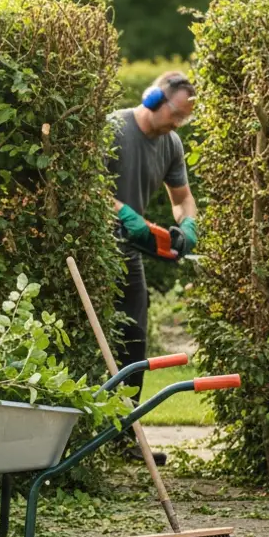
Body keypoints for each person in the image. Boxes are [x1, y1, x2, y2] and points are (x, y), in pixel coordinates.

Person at [105, 70, 199, 465]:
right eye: (175, 114)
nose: (177, 124)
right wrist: (122, 212)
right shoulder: (113, 128)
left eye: (184, 119)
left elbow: (182, 198)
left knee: (133, 342)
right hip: (91, 249)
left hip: (128, 252)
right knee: (93, 338)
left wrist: (188, 225)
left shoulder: (171, 144)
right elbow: (85, 183)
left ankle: (121, 436)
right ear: (152, 99)